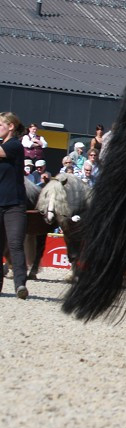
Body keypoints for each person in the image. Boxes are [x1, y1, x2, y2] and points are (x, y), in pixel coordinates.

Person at [0, 112, 29, 299]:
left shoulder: (14, 145)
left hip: (14, 204)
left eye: (0, 124)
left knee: (15, 244)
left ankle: (20, 284)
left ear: (11, 126)